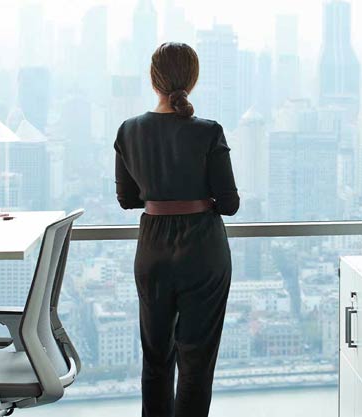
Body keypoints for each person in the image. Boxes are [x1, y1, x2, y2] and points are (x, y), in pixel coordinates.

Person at [113, 42, 240, 417]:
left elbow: (127, 199)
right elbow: (229, 204)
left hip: (152, 249)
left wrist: (162, 198)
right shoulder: (208, 131)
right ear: (193, 80)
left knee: (155, 359)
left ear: (153, 80)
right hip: (203, 249)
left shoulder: (129, 130)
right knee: (196, 362)